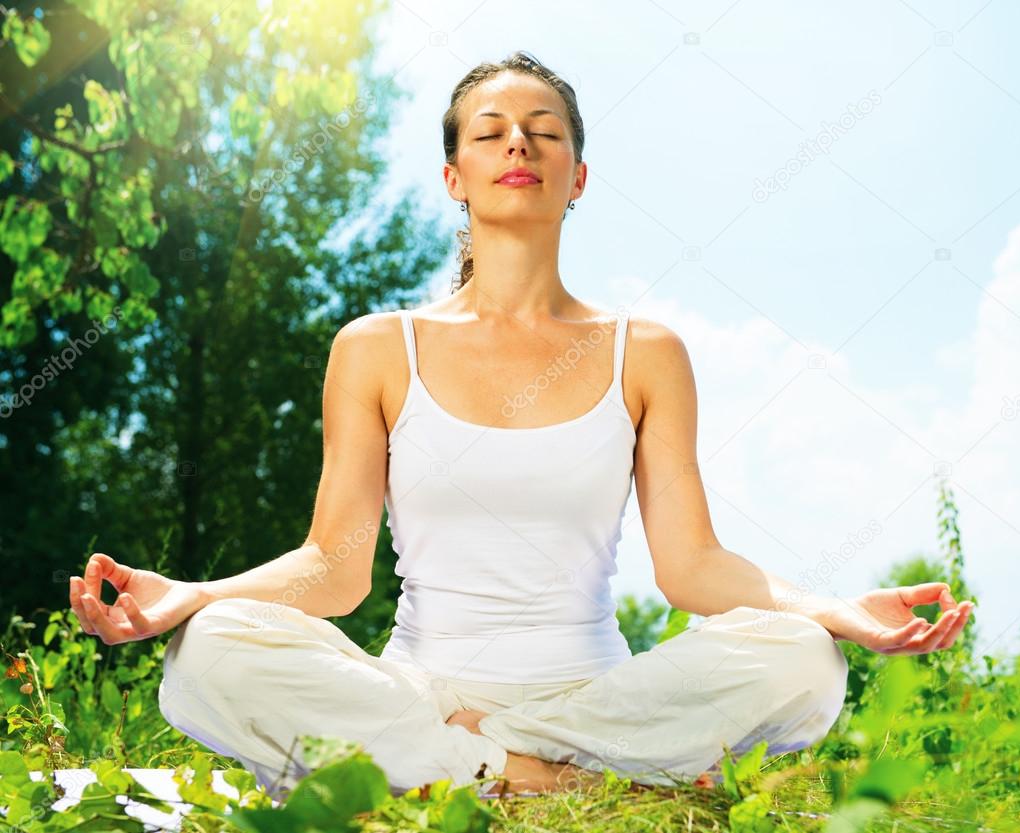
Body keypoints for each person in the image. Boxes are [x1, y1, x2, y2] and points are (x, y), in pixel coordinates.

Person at [68, 51, 974, 801]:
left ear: (575, 177)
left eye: (544, 134)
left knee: (806, 660)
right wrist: (191, 592)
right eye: (490, 132)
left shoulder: (644, 351)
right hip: (422, 685)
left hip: (593, 691)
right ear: (453, 176)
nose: (518, 145)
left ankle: (465, 765)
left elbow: (693, 567)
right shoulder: (378, 348)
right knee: (210, 651)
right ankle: (561, 785)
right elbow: (334, 570)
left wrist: (838, 610)